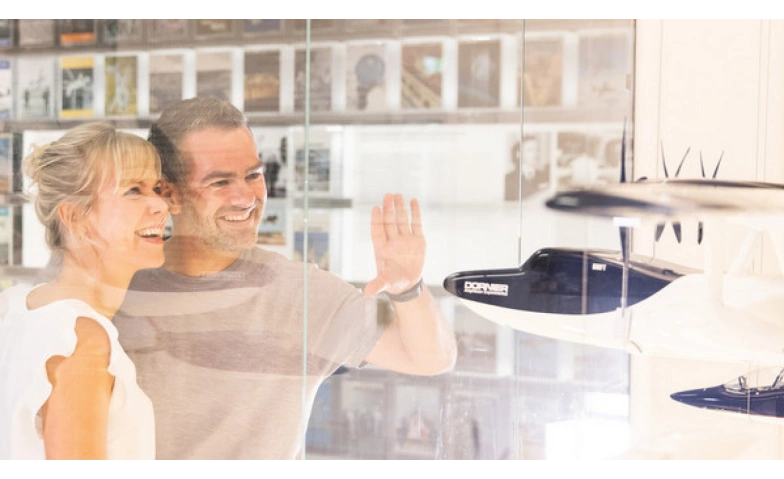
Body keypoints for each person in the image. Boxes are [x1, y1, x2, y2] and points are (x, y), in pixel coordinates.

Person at [113, 96, 458, 460]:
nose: (246, 197)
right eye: (220, 182)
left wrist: (408, 289)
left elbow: (431, 358)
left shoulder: (302, 295)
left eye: (253, 175)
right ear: (170, 195)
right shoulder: (119, 286)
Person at [0, 123, 169, 461]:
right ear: (75, 217)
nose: (161, 206)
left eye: (156, 188)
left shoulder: (17, 304)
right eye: (133, 190)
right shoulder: (81, 340)